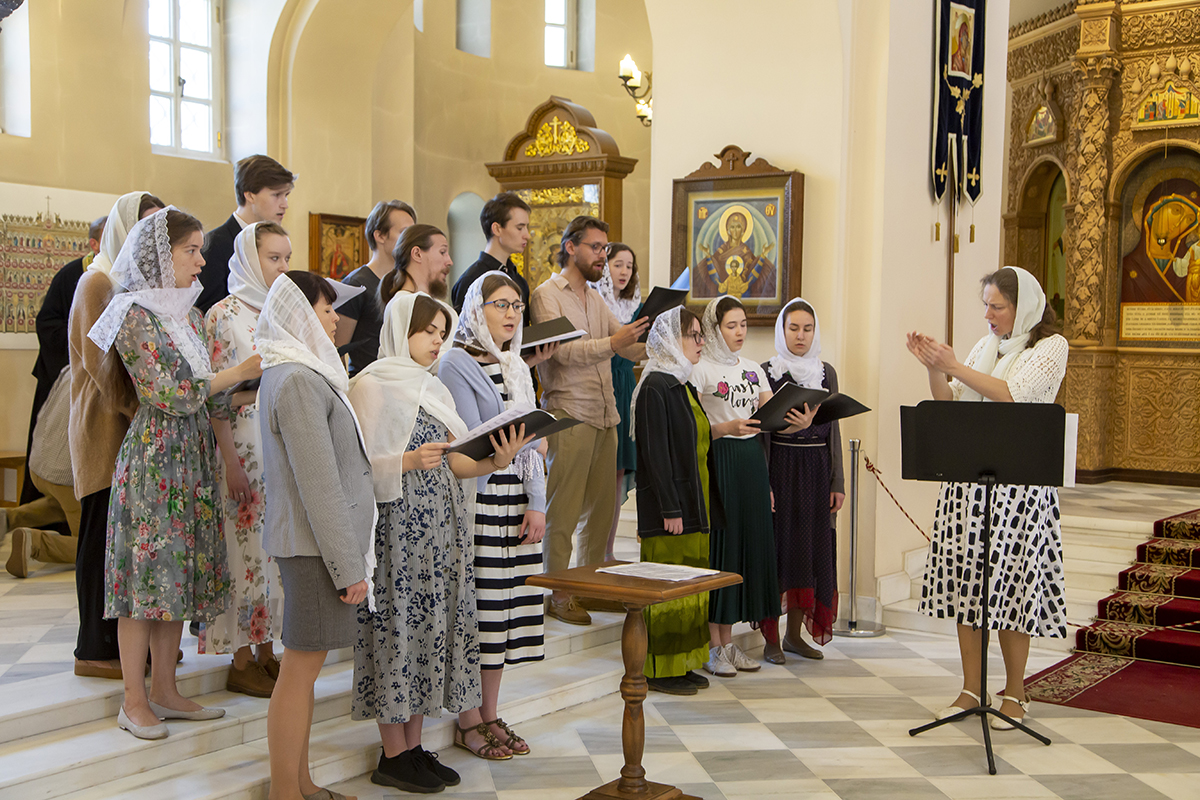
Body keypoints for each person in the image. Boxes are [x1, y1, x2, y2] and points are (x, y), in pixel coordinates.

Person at [87, 207, 262, 740]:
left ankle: (165, 689)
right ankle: (133, 699)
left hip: (192, 454)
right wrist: (233, 373)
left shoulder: (183, 313)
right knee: (145, 579)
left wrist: (248, 385)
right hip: (155, 455)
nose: (201, 260)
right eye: (191, 250)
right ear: (161, 255)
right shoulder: (132, 314)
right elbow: (169, 392)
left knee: (177, 575)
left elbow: (207, 391)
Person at [348, 292, 531, 792]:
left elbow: (456, 462)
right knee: (398, 635)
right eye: (426, 330)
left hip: (442, 534)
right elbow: (354, 468)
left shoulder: (433, 389)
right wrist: (405, 463)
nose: (436, 340)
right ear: (399, 329)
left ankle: (414, 746)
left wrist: (496, 460)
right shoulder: (370, 385)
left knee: (429, 634)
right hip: (395, 537)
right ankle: (393, 754)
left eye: (440, 331)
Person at [907, 266, 1069, 731]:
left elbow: (1014, 395)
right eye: (987, 305)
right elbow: (949, 403)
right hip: (968, 487)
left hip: (1019, 491)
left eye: (997, 306)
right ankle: (970, 688)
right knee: (968, 588)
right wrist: (936, 370)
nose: (988, 315)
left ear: (1024, 307)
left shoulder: (1050, 347)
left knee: (1013, 590)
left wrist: (954, 365)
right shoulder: (984, 346)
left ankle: (1016, 693)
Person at [255, 270, 370, 800]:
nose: (334, 319)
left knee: (305, 668)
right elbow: (319, 484)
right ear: (300, 316)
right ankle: (285, 791)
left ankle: (301, 784)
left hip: (312, 544)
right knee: (299, 671)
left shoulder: (299, 372)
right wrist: (349, 567)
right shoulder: (298, 380)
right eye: (325, 309)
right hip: (313, 547)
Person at [441, 272, 547, 759]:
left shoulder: (518, 365)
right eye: (500, 304)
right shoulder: (457, 363)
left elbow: (534, 444)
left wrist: (538, 502)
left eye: (517, 305)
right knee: (480, 610)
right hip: (480, 495)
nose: (510, 313)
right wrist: (519, 441)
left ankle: (490, 711)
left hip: (517, 499)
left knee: (506, 612)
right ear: (475, 309)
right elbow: (466, 436)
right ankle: (468, 720)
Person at [530, 216, 648, 626]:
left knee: (602, 509)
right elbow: (561, 353)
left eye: (605, 247)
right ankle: (559, 592)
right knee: (564, 509)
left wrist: (660, 343)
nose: (603, 255)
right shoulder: (547, 295)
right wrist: (615, 344)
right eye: (596, 247)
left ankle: (591, 587)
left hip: (604, 413)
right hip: (569, 411)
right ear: (570, 247)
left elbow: (625, 347)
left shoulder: (596, 299)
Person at [691, 295, 813, 677]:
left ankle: (731, 642)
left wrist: (800, 422)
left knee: (746, 549)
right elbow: (690, 427)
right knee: (723, 551)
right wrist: (726, 428)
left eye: (743, 324)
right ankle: (715, 647)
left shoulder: (751, 369)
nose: (740, 331)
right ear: (714, 329)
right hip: (720, 459)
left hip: (750, 463)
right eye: (732, 325)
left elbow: (770, 417)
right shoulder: (700, 370)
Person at [68, 191, 163, 680]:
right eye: (145, 224)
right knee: (100, 534)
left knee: (125, 542)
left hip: (136, 429)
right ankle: (93, 646)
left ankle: (132, 644)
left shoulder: (133, 283)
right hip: (105, 426)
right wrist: (144, 409)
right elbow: (101, 364)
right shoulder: (97, 281)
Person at [201, 222, 293, 698]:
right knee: (242, 554)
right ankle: (240, 657)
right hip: (240, 448)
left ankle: (267, 652)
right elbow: (214, 394)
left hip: (278, 445)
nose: (282, 267)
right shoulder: (223, 313)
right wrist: (231, 461)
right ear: (249, 258)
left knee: (273, 551)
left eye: (286, 259)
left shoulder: (283, 311)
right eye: (273, 258)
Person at [631, 306, 724, 695]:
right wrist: (670, 507)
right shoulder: (655, 386)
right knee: (667, 589)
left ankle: (684, 662)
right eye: (693, 335)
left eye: (702, 334)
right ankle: (659, 670)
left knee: (691, 586)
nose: (701, 342)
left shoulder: (683, 384)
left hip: (695, 504)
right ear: (670, 339)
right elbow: (655, 455)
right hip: (672, 510)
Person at [761, 299, 844, 664]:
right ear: (782, 330)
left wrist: (836, 480)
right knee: (779, 550)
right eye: (793, 328)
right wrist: (764, 482)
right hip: (781, 465)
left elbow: (835, 428)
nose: (800, 336)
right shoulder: (767, 370)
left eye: (807, 329)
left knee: (808, 552)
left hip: (815, 467)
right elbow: (761, 431)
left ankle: (795, 635)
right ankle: (771, 639)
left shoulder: (826, 372)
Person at [17, 215, 104, 509]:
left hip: (89, 380)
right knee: (51, 452)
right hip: (60, 377)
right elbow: (47, 323)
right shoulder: (71, 275)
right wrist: (81, 347)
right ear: (94, 243)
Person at [590, 243, 643, 561]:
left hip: (626, 385)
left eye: (629, 266)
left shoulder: (635, 306)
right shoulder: (595, 301)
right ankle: (591, 551)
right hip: (601, 384)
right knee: (598, 474)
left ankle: (608, 551)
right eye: (618, 264)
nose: (624, 272)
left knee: (618, 474)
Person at [5, 365, 79, 578]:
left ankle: (8, 518)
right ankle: (35, 543)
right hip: (67, 476)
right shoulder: (108, 370)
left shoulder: (69, 366)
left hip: (39, 467)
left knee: (61, 503)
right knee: (95, 548)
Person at [198, 154, 296, 313]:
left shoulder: (276, 242)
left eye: (286, 196)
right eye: (276, 195)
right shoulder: (215, 244)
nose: (285, 205)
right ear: (250, 195)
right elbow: (206, 311)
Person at [337, 200, 417, 377]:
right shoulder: (356, 283)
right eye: (404, 233)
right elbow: (337, 350)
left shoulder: (409, 282)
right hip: (368, 384)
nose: (411, 241)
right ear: (380, 236)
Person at [450, 192, 532, 322]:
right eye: (520, 228)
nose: (527, 235)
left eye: (526, 228)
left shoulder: (519, 281)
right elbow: (463, 334)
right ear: (497, 229)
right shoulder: (471, 280)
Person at [379, 224, 453, 302]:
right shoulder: (405, 303)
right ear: (417, 254)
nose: (449, 262)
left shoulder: (425, 302)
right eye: (442, 252)